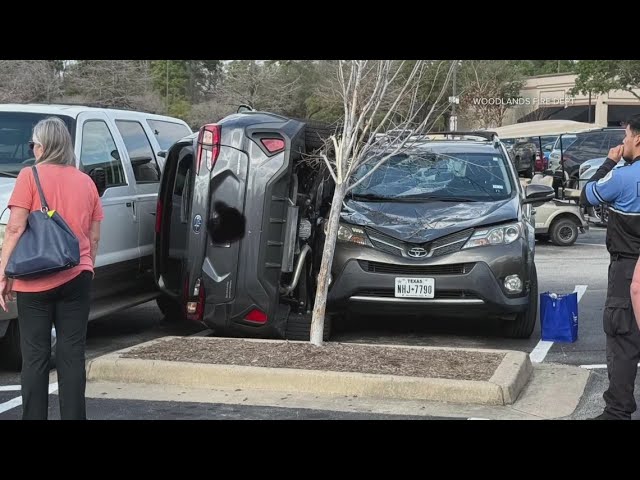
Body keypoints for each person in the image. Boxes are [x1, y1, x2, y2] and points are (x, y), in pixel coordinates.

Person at [0, 117, 103, 420]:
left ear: (42, 146)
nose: (33, 149)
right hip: (77, 276)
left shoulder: (29, 177)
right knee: (72, 355)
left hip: (34, 281)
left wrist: (3, 272)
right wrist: (87, 267)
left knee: (35, 357)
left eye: (33, 144)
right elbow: (94, 235)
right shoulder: (86, 181)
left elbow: (15, 229)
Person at [580, 114, 640, 420]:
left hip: (627, 268)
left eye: (627, 136)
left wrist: (608, 161)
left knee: (622, 338)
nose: (623, 142)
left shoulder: (623, 177)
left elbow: (587, 194)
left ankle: (617, 411)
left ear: (638, 139)